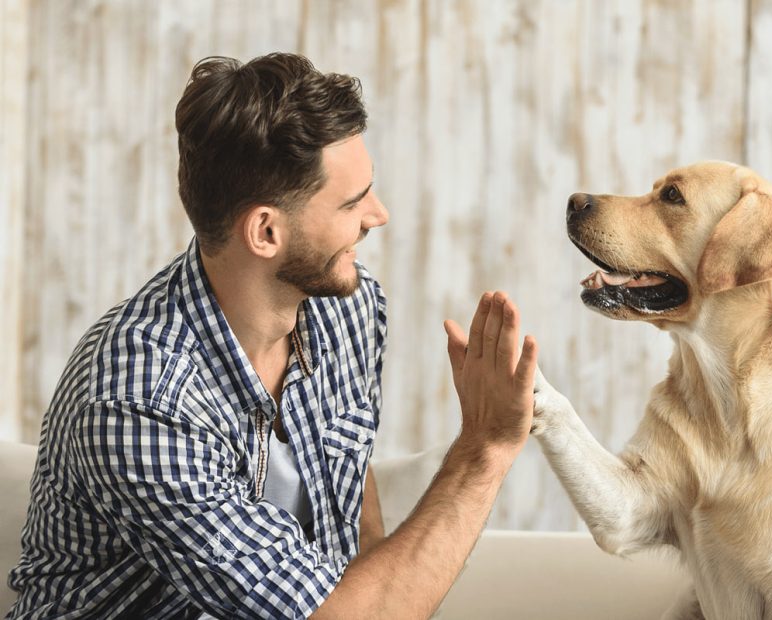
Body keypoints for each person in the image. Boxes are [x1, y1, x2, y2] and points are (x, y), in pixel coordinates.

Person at [7, 52, 537, 619]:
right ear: (265, 231)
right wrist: (485, 448)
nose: (377, 215)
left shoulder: (348, 310)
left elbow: (353, 502)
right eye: (352, 202)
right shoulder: (140, 399)